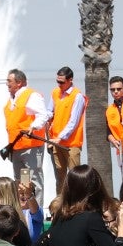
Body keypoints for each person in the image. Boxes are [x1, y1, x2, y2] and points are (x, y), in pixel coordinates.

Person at [3, 69, 50, 200]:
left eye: (9, 81)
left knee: (34, 179)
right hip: (17, 147)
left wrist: (33, 127)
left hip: (31, 147)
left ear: (19, 82)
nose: (7, 83)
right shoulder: (12, 99)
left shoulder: (31, 95)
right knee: (22, 182)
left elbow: (43, 115)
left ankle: (36, 213)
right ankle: (25, 211)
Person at [48, 67, 87, 195]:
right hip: (56, 143)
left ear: (70, 80)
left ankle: (78, 204)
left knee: (75, 177)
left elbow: (73, 121)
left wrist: (61, 137)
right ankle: (59, 206)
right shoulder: (55, 93)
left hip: (71, 144)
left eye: (61, 82)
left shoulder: (77, 96)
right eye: (57, 81)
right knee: (60, 177)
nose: (59, 85)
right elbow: (49, 112)